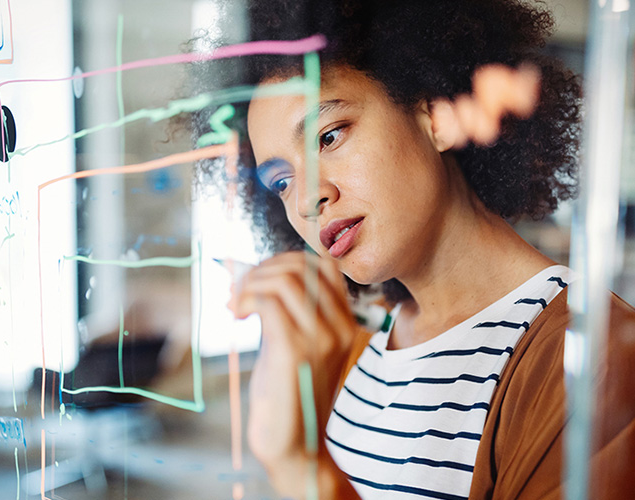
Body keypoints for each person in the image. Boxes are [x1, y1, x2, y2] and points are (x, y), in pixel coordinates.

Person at [192, 0, 635, 498]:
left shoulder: (596, 359)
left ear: (435, 114)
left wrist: (304, 468)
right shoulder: (354, 344)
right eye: (280, 182)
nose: (307, 198)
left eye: (329, 136)